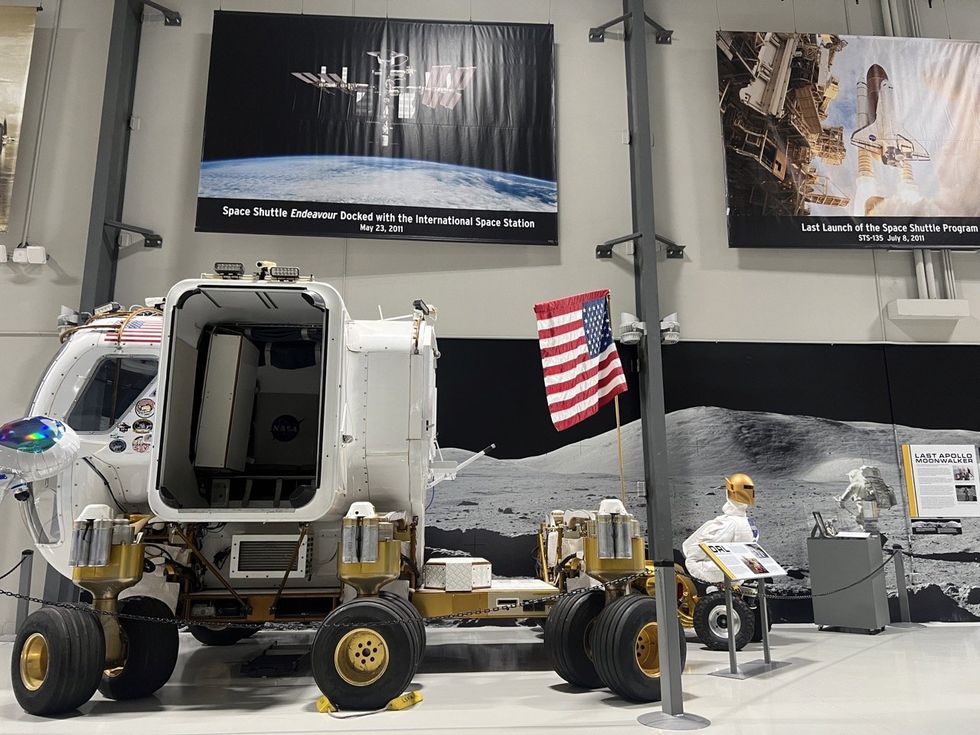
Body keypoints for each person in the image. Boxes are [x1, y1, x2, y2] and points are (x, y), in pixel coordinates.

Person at [682, 473, 757, 584]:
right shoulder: (749, 523)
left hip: (726, 572)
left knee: (691, 561)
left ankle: (711, 590)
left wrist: (692, 552)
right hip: (742, 571)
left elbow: (701, 550)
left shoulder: (727, 523)